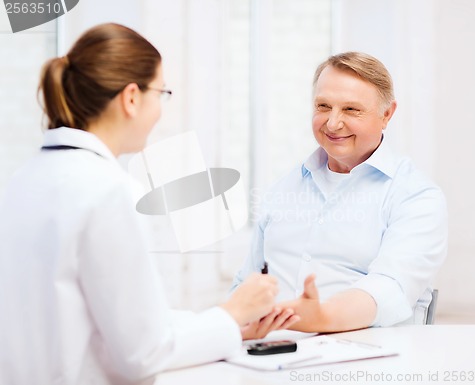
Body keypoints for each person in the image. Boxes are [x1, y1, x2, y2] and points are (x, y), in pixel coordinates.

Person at [0, 23, 298, 385]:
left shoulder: (23, 180)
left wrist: (228, 320)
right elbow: (143, 355)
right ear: (131, 98)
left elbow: (110, 325)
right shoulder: (109, 190)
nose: (161, 108)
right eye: (162, 92)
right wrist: (232, 314)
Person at [232, 51, 448, 332]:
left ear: (387, 114)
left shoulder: (417, 197)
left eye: (351, 110)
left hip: (368, 360)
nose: (333, 123)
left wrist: (319, 318)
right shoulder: (284, 187)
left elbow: (390, 288)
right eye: (323, 106)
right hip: (272, 354)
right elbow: (245, 283)